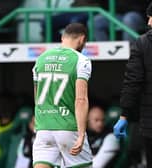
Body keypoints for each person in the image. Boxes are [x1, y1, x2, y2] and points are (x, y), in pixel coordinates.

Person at [32, 23, 92, 168]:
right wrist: (81, 133)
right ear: (82, 39)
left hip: (43, 128)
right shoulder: (81, 60)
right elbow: (81, 99)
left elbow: (37, 96)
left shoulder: (40, 59)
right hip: (68, 127)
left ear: (62, 38)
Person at [113, 2, 152, 168]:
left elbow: (132, 82)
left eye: (151, 17)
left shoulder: (142, 43)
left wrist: (124, 115)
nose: (149, 22)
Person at [87, 103, 120, 168]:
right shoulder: (83, 136)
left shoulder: (111, 138)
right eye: (96, 120)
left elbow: (96, 165)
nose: (100, 124)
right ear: (88, 121)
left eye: (103, 120)